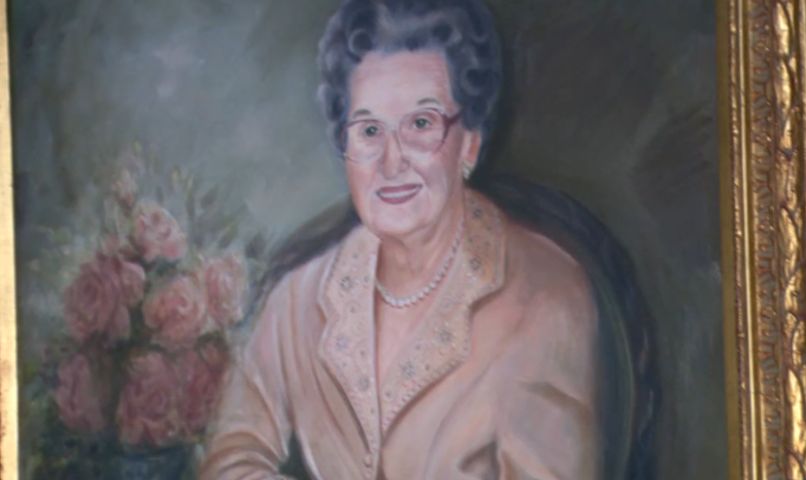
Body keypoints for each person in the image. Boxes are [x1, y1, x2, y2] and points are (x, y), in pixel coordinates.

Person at [200, 1, 638, 478]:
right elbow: (232, 456)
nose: (392, 162)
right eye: (369, 130)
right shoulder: (299, 299)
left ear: (469, 143)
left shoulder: (545, 296)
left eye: (422, 124)